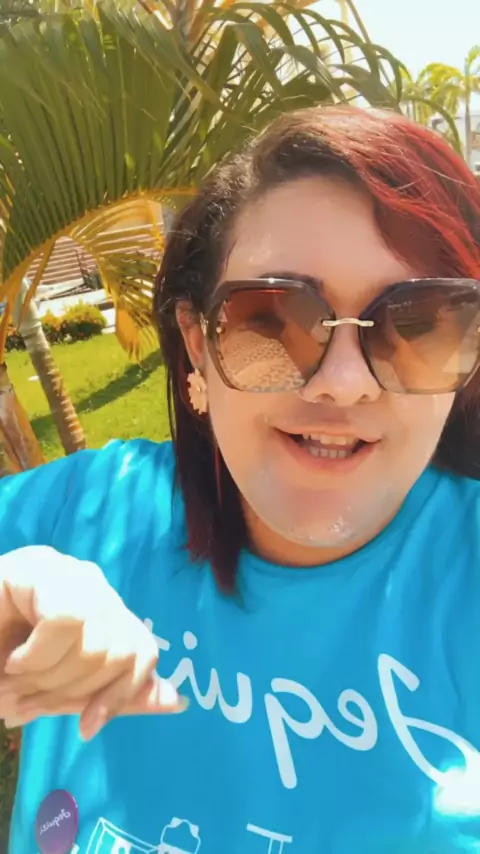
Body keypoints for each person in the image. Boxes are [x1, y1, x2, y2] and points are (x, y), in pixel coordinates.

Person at [1, 105, 480, 854]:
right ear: (196, 346)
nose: (343, 383)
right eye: (271, 318)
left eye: (419, 323)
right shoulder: (85, 516)